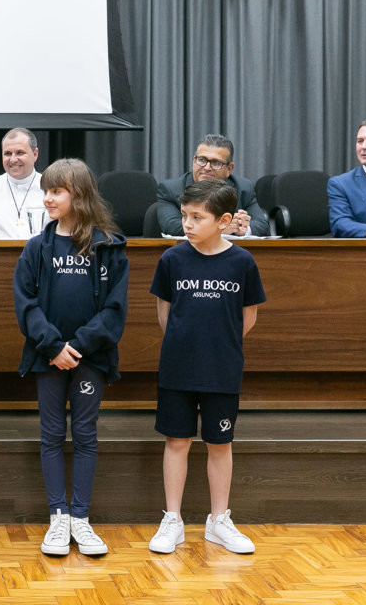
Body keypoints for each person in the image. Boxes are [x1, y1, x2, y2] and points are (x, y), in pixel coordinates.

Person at [13, 158, 128, 558]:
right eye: (45, 190)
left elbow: (114, 310)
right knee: (50, 436)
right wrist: (53, 346)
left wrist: (77, 346)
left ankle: (80, 516)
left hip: (89, 359)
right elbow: (25, 304)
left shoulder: (109, 247)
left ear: (78, 194)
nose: (47, 197)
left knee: (85, 436)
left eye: (56, 191)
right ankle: (58, 516)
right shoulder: (36, 247)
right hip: (48, 358)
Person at [148, 180, 266, 555]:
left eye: (197, 217)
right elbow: (165, 313)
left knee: (219, 443)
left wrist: (218, 345)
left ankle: (218, 520)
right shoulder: (172, 259)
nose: (187, 223)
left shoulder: (242, 262)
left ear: (224, 220)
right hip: (178, 369)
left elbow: (247, 318)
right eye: (184, 216)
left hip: (222, 369)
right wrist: (188, 343)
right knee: (177, 441)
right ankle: (172, 519)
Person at [154, 134, 268, 237]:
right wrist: (220, 227)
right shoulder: (170, 189)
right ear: (194, 161)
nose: (207, 168)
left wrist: (242, 228)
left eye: (216, 163)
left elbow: (262, 225)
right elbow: (172, 226)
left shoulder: (243, 188)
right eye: (202, 160)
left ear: (229, 169)